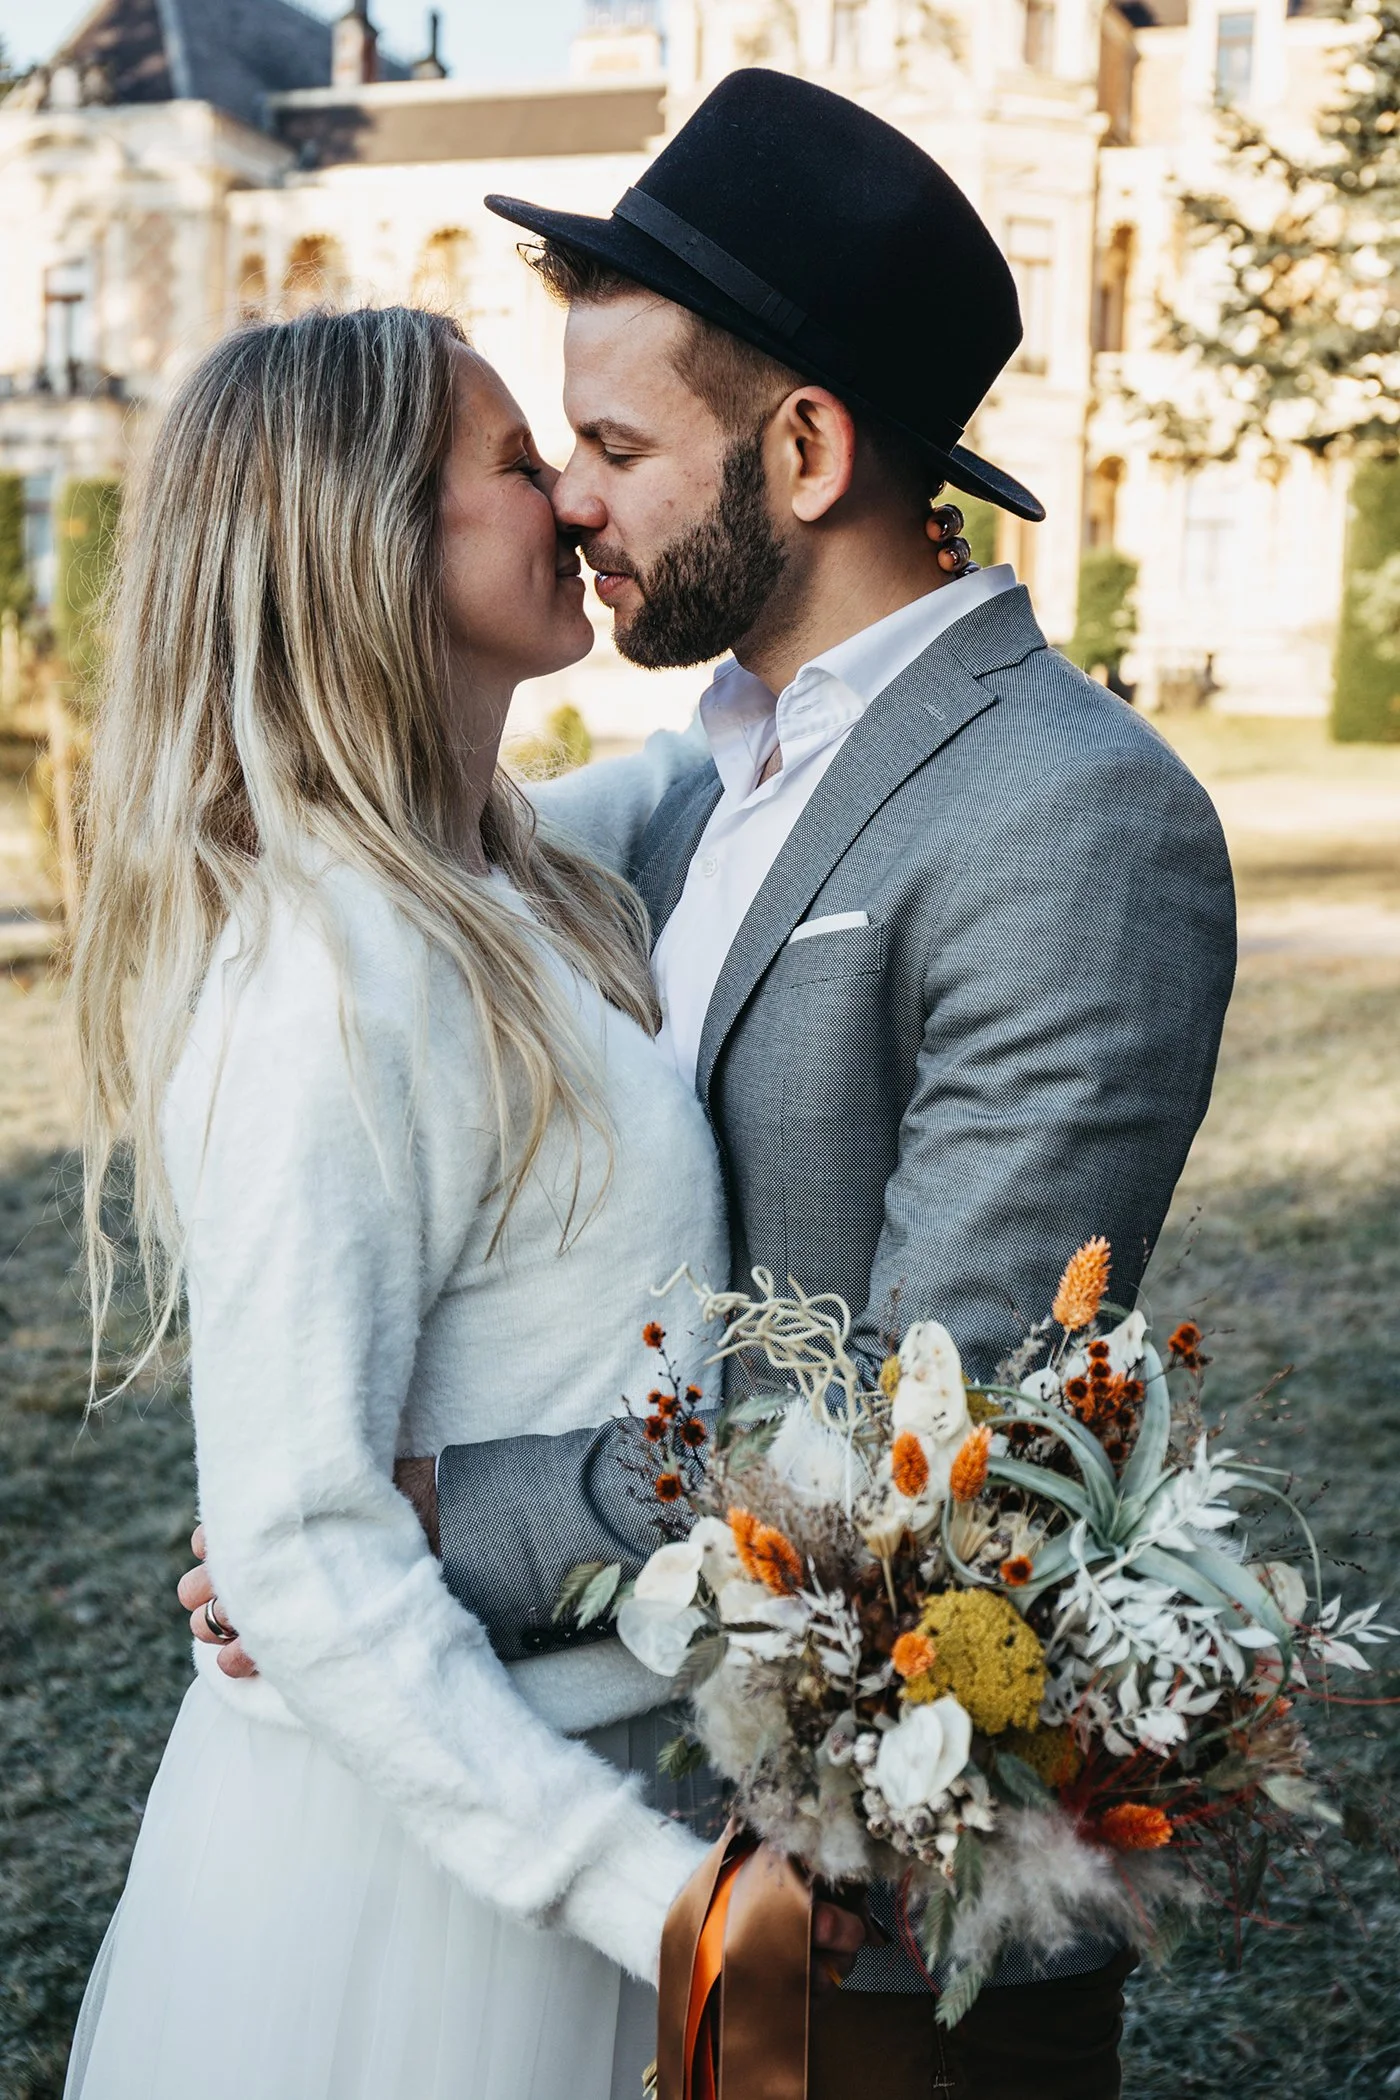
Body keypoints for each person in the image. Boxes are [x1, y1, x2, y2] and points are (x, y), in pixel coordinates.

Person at [179, 71, 1235, 2097]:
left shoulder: (1073, 818)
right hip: (564, 1796)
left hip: (848, 1866)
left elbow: (941, 1422)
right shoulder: (661, 789)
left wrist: (414, 1515)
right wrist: (303, 1480)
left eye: (612, 444)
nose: (570, 499)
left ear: (810, 447)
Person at [63, 304, 749, 2100]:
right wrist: (655, 1901)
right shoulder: (333, 973)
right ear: (373, 541)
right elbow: (294, 1546)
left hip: (585, 1779)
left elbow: (715, 778)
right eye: (523, 466)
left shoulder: (491, 873)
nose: (576, 506)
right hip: (442, 1888)